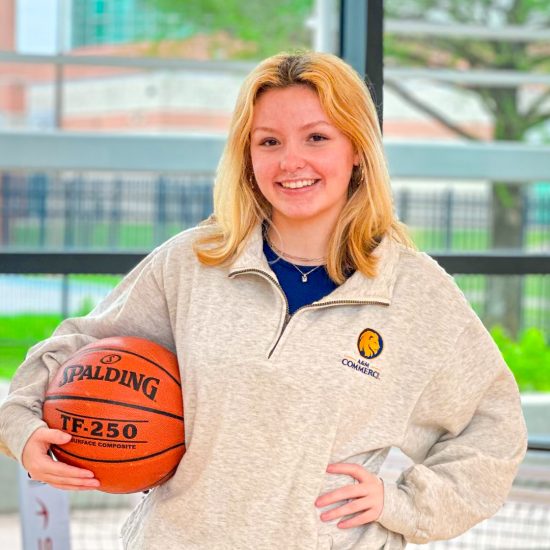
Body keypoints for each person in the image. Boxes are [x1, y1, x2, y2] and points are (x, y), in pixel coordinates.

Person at [0, 51, 527, 550]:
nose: (290, 161)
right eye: (268, 142)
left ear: (358, 151)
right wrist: (22, 428)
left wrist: (401, 501)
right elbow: (74, 349)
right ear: (247, 156)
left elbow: (495, 427)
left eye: (316, 137)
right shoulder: (193, 262)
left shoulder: (413, 291)